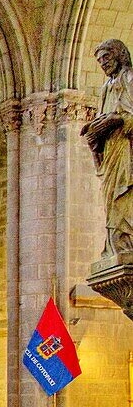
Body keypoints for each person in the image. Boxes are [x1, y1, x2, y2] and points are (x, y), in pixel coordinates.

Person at [81, 39, 133, 256]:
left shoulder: (129, 78)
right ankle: (115, 245)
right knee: (111, 198)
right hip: (111, 149)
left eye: (106, 57)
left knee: (125, 193)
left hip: (126, 147)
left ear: (118, 55)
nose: (103, 63)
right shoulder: (105, 88)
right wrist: (94, 128)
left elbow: (129, 115)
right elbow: (103, 117)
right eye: (100, 60)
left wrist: (116, 120)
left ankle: (127, 242)